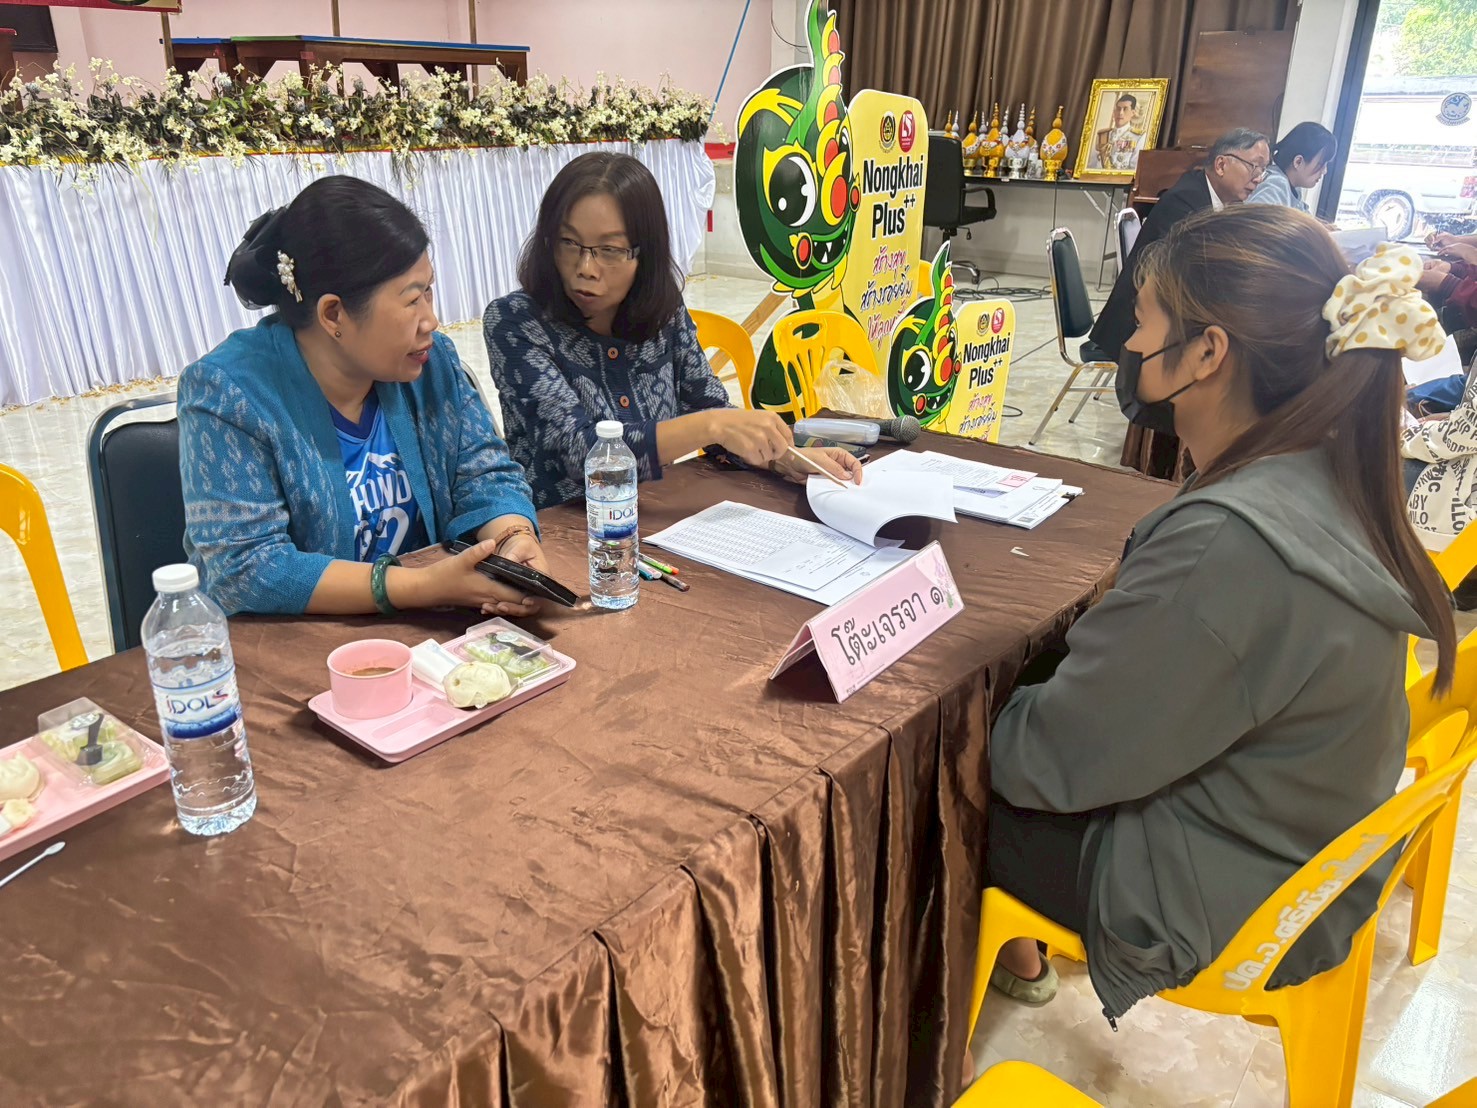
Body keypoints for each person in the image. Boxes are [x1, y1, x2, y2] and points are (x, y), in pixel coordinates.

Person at [981, 207, 1454, 1026]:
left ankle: (936, 1026)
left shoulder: (1228, 540)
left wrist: (995, 712)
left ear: (1207, 351)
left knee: (933, 793)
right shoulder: (1324, 467)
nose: (1129, 345)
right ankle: (1012, 956)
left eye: (1142, 322)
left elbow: (1047, 763)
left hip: (1217, 894)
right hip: (1289, 852)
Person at [179, 176, 550, 620]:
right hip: (299, 643)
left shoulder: (431, 364)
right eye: (411, 301)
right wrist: (420, 586)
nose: (431, 320)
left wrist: (512, 537)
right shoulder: (230, 391)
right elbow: (247, 569)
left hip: (425, 635)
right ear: (333, 313)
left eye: (429, 290)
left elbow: (485, 475)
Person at [484, 152, 860, 511]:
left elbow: (708, 406)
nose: (586, 268)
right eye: (569, 243)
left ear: (645, 254)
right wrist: (712, 425)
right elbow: (579, 452)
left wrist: (783, 459)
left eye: (609, 250)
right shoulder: (515, 322)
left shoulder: (663, 312)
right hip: (562, 532)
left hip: (656, 517)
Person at [1089, 128, 1272, 477]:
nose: (1258, 178)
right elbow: (1196, 277)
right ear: (1222, 164)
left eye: (1263, 170)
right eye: (1254, 166)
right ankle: (1167, 466)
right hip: (1138, 328)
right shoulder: (1186, 202)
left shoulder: (1212, 199)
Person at [1246, 121, 1337, 212]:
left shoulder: (1294, 188)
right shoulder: (1275, 185)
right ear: (1298, 162)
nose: (1324, 171)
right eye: (1320, 164)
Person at [1092, 93, 1147, 171]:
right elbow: (1092, 163)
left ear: (1133, 113)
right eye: (1118, 109)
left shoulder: (1139, 136)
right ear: (1114, 112)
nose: (1120, 113)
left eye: (1125, 109)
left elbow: (1135, 167)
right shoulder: (1103, 135)